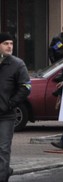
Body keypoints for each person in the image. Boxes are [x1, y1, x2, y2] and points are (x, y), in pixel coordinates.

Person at [0, 32, 30, 182]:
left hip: (6, 115)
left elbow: (26, 87)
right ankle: (5, 170)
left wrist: (10, 104)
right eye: (6, 43)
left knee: (3, 149)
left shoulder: (18, 64)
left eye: (11, 43)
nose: (9, 46)